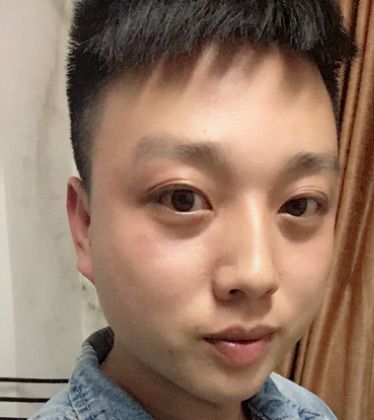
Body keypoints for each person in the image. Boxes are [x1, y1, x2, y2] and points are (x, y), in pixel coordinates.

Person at [32, 1, 356, 419]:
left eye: (300, 204)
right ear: (85, 227)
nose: (256, 274)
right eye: (182, 199)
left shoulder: (309, 412)